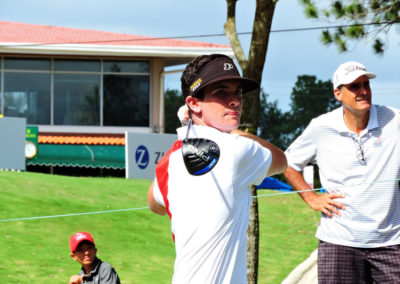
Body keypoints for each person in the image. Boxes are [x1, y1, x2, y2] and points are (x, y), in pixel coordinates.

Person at [147, 54, 287, 283]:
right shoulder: (237, 149)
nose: (234, 101)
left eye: (238, 92)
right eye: (221, 92)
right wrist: (235, 132)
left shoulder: (170, 160)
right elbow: (281, 160)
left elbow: (155, 203)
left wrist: (189, 128)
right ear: (193, 103)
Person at [284, 61, 400, 283]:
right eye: (355, 87)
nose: (364, 91)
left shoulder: (395, 121)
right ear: (338, 93)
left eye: (366, 84)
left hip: (391, 242)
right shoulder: (321, 127)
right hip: (338, 243)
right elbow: (289, 164)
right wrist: (311, 198)